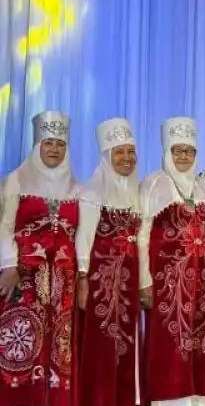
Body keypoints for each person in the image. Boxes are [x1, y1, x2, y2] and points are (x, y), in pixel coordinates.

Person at [0, 110, 81, 404]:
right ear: (37, 146)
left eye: (60, 144)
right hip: (24, 280)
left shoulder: (76, 188)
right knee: (22, 344)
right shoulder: (16, 181)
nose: (54, 150)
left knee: (57, 349)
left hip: (63, 286)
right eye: (48, 143)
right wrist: (8, 265)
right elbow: (5, 227)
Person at [138, 117, 205, 406]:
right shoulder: (154, 184)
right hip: (166, 283)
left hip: (201, 283)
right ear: (167, 151)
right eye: (178, 150)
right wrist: (144, 282)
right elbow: (141, 235)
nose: (184, 156)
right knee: (167, 347)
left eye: (189, 151)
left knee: (198, 346)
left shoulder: (204, 188)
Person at [76, 118, 142, 406]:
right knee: (102, 346)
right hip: (100, 282)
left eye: (130, 151)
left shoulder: (137, 192)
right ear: (106, 156)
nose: (126, 158)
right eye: (119, 152)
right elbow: (84, 238)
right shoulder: (92, 192)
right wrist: (82, 280)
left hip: (129, 281)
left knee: (127, 344)